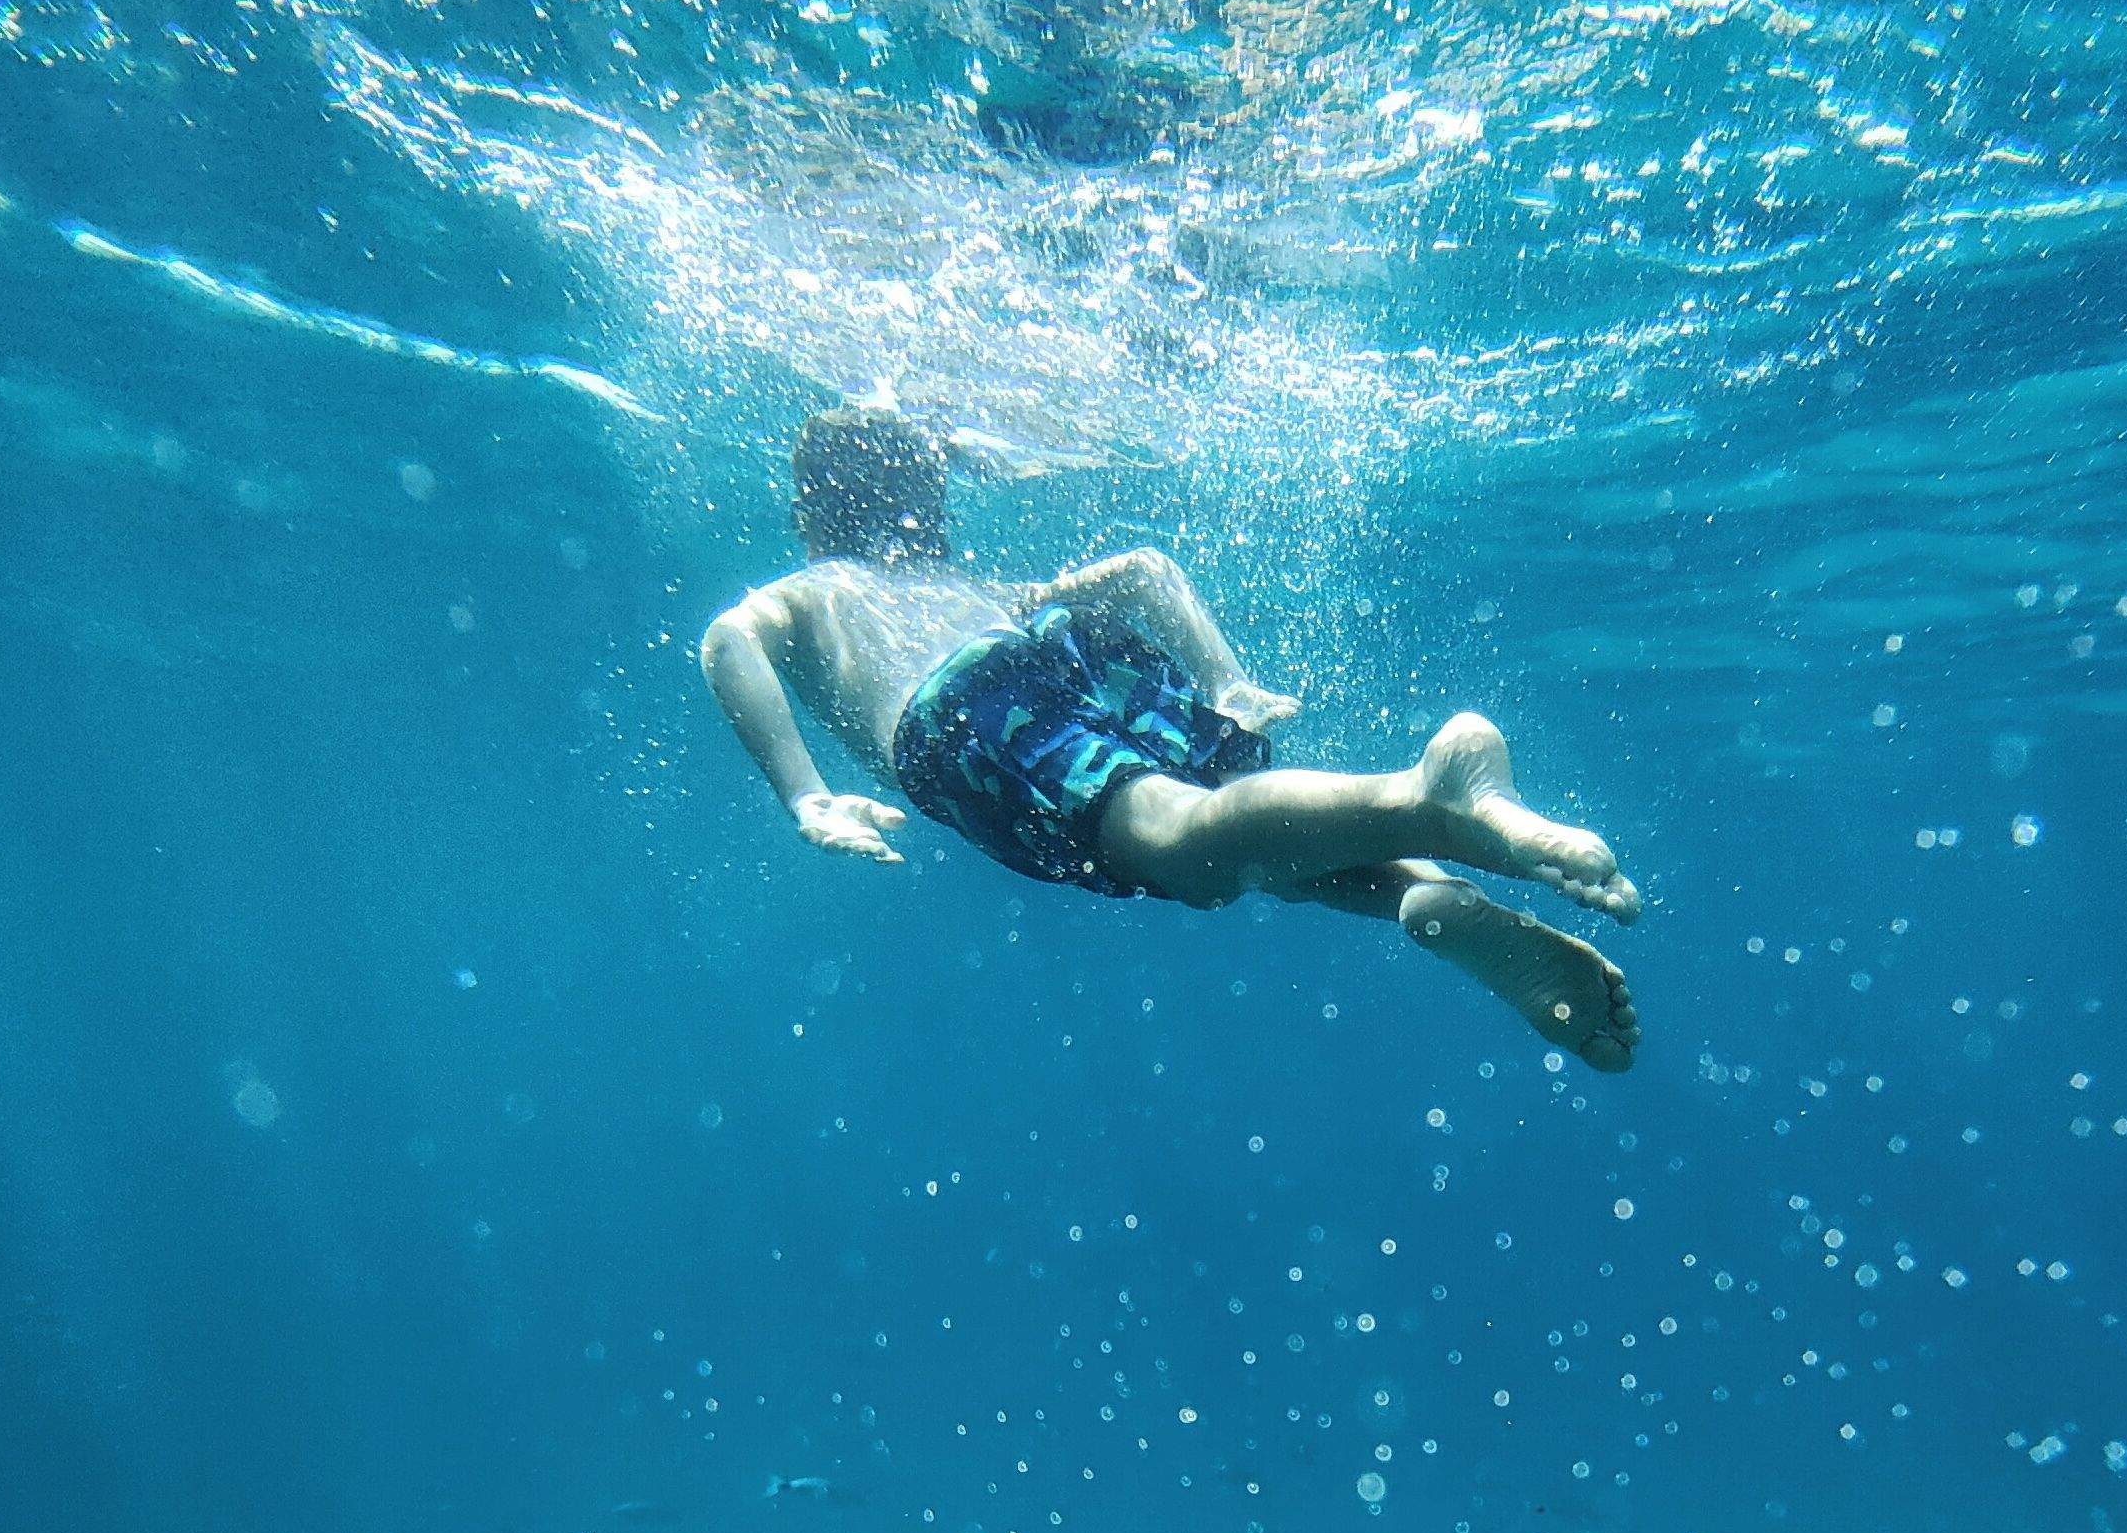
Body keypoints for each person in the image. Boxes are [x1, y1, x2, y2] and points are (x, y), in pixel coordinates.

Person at [698, 406, 1640, 1071]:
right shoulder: (976, 588)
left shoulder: (814, 588)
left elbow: (727, 638)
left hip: (959, 718)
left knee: (1187, 850)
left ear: (806, 510)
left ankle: (1429, 800)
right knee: (1249, 849)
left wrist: (802, 791)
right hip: (1060, 649)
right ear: (932, 507)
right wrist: (1224, 677)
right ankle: (1432, 893)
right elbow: (1144, 570)